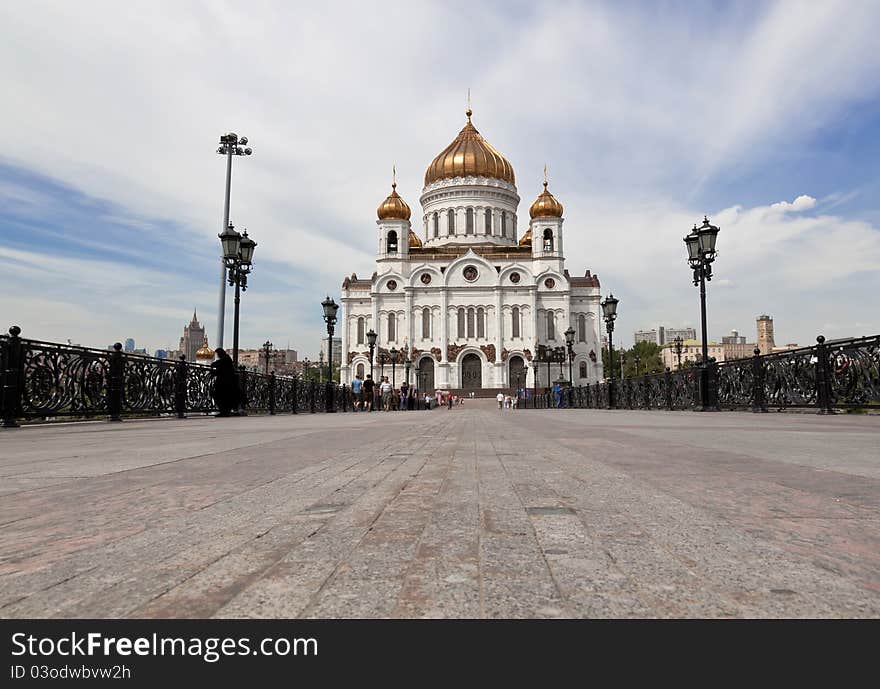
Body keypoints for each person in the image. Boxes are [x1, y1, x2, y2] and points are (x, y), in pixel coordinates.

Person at [210, 348, 239, 417]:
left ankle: (224, 411)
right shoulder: (226, 358)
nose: (217, 356)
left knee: (220, 396)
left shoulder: (225, 359)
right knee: (224, 397)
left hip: (224, 382)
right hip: (227, 382)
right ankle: (225, 411)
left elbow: (215, 364)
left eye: (217, 354)